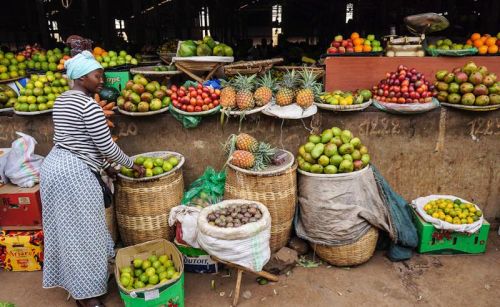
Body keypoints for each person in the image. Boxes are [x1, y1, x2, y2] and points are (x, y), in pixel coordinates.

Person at [40, 51, 144, 307]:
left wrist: (107, 168)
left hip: (53, 168)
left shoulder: (62, 100)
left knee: (66, 234)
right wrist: (132, 165)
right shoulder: (88, 106)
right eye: (97, 76)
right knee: (87, 236)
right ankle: (88, 298)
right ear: (81, 76)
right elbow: (105, 147)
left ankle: (80, 290)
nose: (102, 81)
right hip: (74, 175)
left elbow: (82, 143)